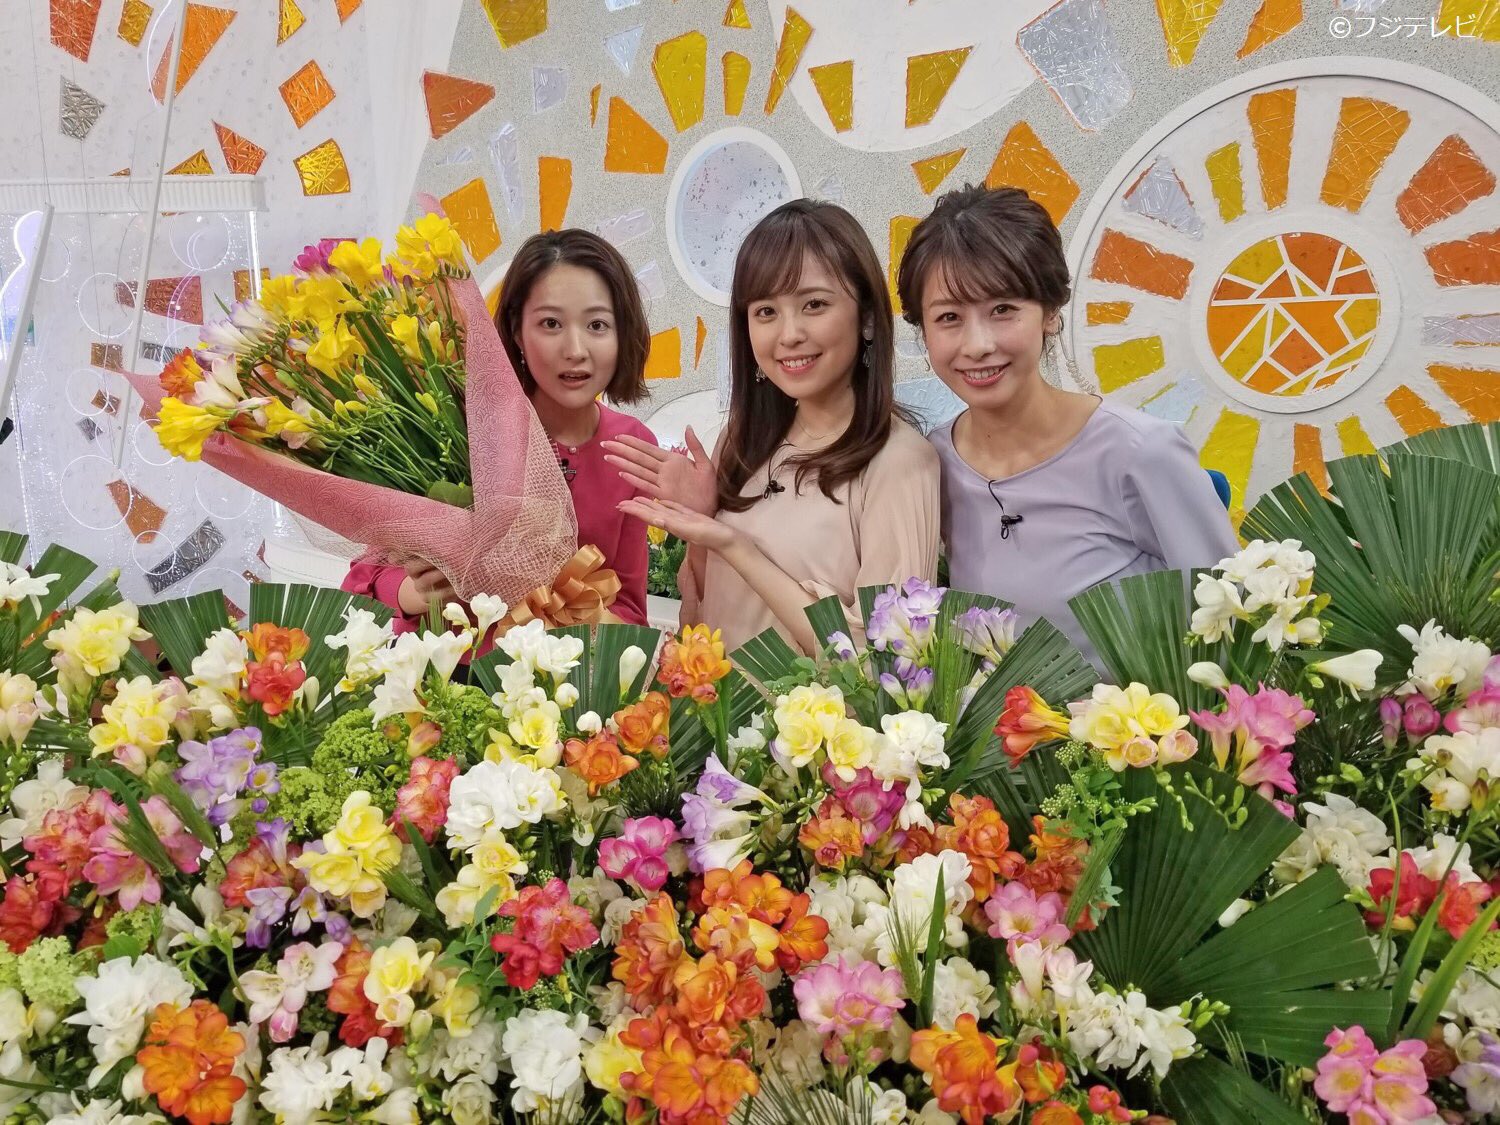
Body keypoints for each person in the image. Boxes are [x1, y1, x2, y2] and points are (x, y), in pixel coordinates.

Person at [895, 184, 1239, 666]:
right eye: (949, 317)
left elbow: (1232, 624)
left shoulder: (1140, 453)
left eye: (1003, 310)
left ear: (1050, 313)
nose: (977, 345)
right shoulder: (932, 463)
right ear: (924, 332)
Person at [608, 199, 939, 655]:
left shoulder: (900, 463)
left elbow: (882, 662)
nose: (789, 335)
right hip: (722, 701)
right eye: (766, 311)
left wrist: (737, 546)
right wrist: (701, 523)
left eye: (814, 304)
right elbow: (704, 620)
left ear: (866, 317)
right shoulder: (742, 442)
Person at [344, 228, 657, 629]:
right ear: (516, 330)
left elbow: (629, 609)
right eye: (551, 323)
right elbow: (362, 580)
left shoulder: (633, 446)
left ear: (622, 332)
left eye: (597, 325)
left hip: (564, 666)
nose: (576, 350)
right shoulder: (462, 426)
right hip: (446, 662)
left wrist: (573, 611)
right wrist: (418, 592)